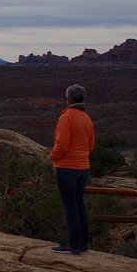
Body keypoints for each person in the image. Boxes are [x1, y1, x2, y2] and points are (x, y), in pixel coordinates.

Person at [49, 84, 95, 254]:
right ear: (83, 98)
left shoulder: (66, 117)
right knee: (79, 204)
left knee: (70, 206)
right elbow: (91, 146)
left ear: (68, 99)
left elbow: (61, 145)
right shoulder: (87, 118)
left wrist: (51, 156)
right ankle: (82, 243)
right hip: (83, 168)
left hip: (67, 168)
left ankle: (73, 244)